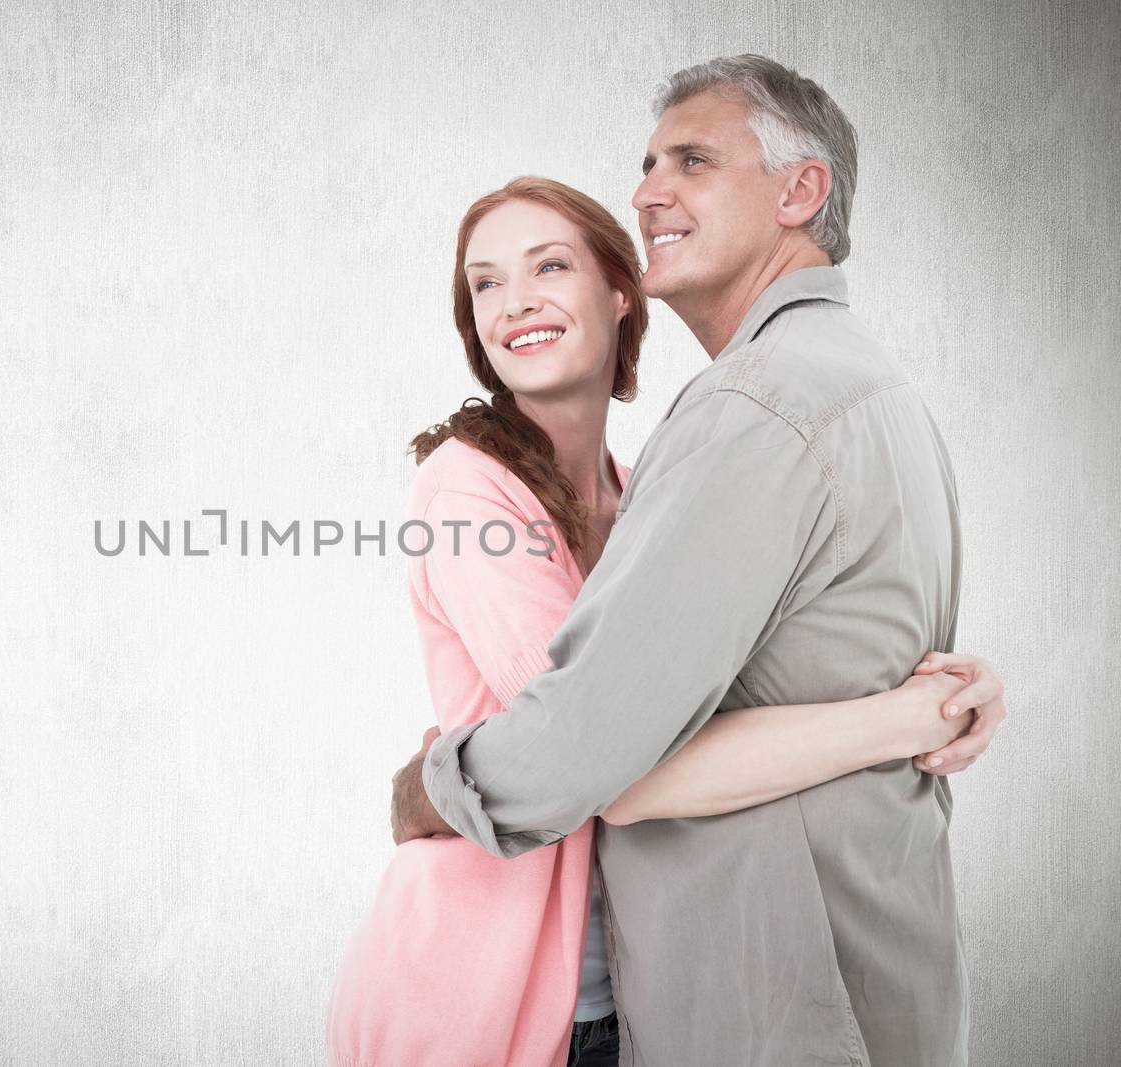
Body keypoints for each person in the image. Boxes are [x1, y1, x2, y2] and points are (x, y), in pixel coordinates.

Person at [388, 56, 1006, 1066]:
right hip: (825, 982)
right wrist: (921, 708)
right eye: (643, 164)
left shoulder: (748, 411)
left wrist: (427, 784)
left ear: (799, 192)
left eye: (691, 158)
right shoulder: (868, 389)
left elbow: (593, 757)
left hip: (782, 1001)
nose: (645, 190)